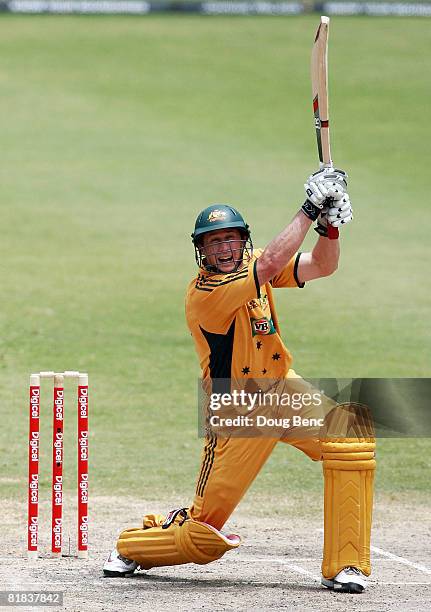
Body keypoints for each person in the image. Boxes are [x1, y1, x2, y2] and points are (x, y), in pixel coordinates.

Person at [103, 168, 376, 594]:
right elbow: (267, 266)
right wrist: (309, 208)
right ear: (202, 253)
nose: (226, 249)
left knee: (351, 439)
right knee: (202, 534)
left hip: (284, 390)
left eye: (232, 239)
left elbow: (322, 266)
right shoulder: (206, 296)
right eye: (215, 242)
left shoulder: (254, 264)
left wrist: (330, 226)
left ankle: (347, 564)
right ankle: (133, 546)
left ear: (242, 240)